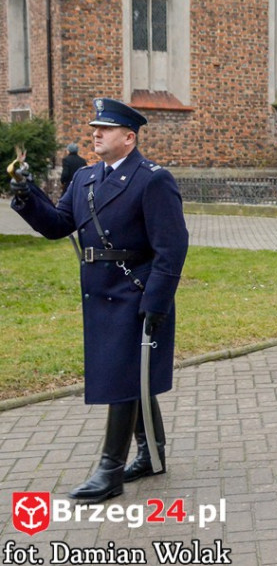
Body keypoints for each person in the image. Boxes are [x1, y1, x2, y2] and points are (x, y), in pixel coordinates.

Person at [9, 98, 188, 501]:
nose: (96, 133)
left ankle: (110, 470)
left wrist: (157, 302)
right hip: (98, 291)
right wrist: (26, 194)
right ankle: (152, 452)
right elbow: (58, 225)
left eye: (105, 129)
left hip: (135, 292)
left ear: (129, 137)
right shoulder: (86, 178)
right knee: (131, 373)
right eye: (95, 127)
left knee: (123, 376)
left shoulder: (152, 179)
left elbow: (172, 247)